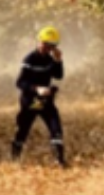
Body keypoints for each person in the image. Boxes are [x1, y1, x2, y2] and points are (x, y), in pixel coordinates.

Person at [12, 26, 67, 167]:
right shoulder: (29, 59)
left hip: (46, 101)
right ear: (39, 42)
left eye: (51, 46)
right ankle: (14, 159)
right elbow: (19, 82)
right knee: (23, 130)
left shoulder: (50, 59)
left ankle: (60, 160)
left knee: (56, 129)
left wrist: (58, 60)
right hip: (30, 101)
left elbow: (58, 76)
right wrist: (36, 89)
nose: (48, 48)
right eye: (46, 44)